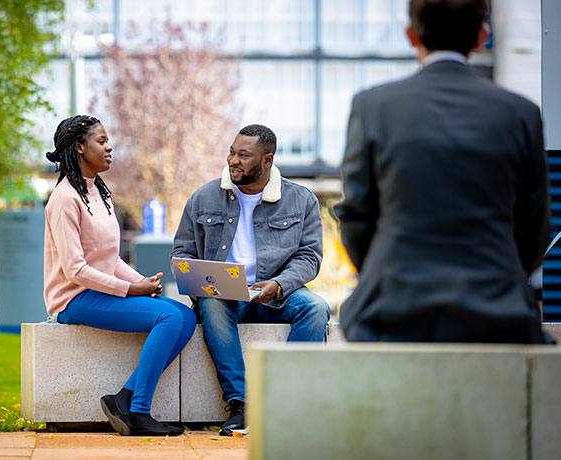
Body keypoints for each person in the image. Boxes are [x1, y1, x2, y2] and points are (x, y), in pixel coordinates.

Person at [335, 0, 551, 343]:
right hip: (499, 314)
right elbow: (535, 224)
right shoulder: (521, 113)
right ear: (482, 36)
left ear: (410, 35)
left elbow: (357, 213)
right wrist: (505, 280)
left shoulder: (373, 106)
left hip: (391, 312)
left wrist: (382, 274)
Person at [171, 124, 330, 435]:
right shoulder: (203, 198)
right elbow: (183, 253)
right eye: (232, 152)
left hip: (278, 293)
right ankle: (241, 405)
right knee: (211, 304)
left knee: (315, 308)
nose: (233, 160)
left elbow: (310, 256)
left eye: (244, 155)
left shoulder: (302, 200)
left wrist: (280, 284)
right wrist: (203, 281)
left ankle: (283, 402)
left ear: (267, 160)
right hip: (226, 295)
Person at [43, 115, 196, 436]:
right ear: (81, 148)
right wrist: (130, 289)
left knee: (185, 315)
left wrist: (143, 284)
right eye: (101, 141)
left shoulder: (100, 192)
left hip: (101, 292)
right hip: (73, 299)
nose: (109, 147)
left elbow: (110, 258)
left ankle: (123, 398)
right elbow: (75, 269)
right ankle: (138, 411)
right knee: (168, 318)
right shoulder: (64, 199)